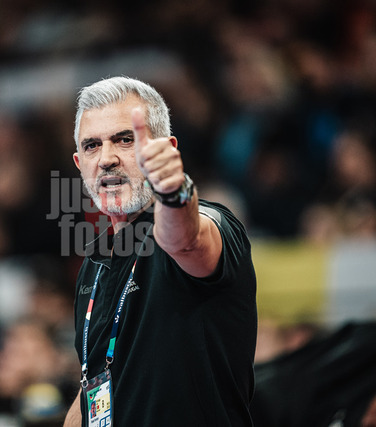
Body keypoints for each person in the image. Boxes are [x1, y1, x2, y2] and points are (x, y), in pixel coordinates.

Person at [63, 76, 257, 426]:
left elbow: (186, 239)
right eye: (92, 145)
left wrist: (173, 190)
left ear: (167, 150)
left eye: (125, 140)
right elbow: (93, 383)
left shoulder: (210, 222)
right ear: (79, 163)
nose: (106, 159)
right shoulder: (93, 264)